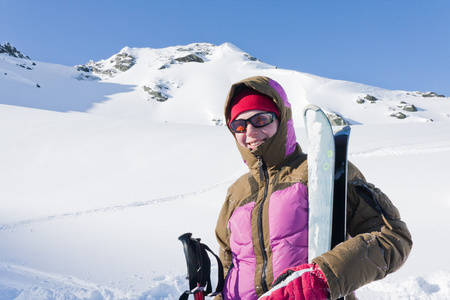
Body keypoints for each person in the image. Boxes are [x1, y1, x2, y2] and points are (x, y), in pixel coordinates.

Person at [215, 76, 412, 300]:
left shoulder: (320, 169)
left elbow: (393, 238)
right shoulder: (236, 192)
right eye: (239, 125)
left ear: (282, 120)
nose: (249, 131)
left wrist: (322, 279)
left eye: (260, 119)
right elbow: (229, 265)